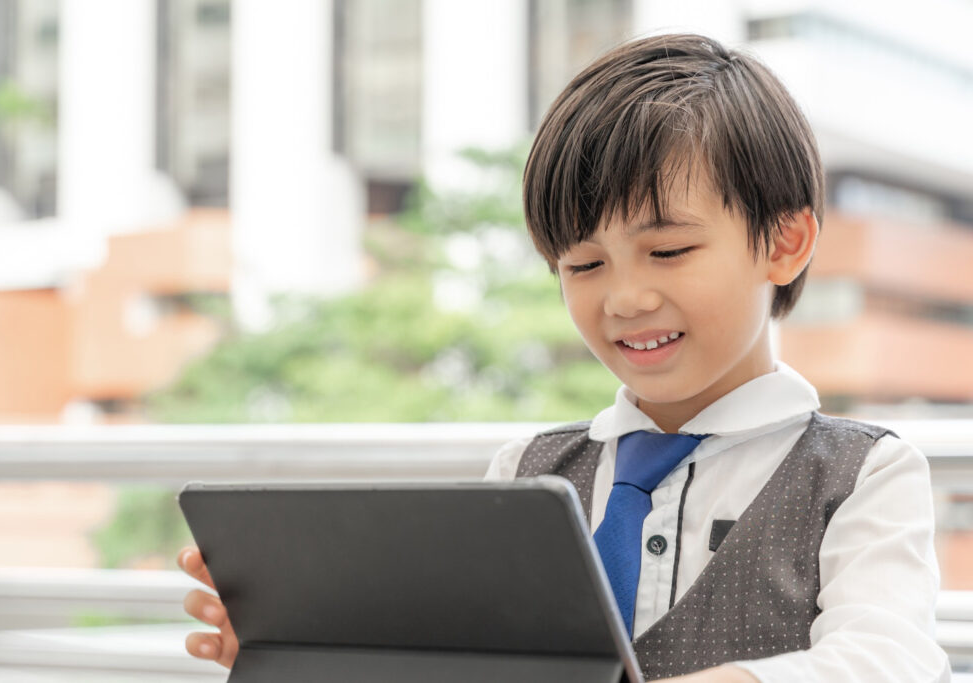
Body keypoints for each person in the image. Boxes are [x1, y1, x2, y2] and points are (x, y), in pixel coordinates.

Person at [179, 33, 951, 681]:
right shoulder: (527, 473)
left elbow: (888, 658)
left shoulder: (863, 476)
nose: (624, 298)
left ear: (784, 242)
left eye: (668, 249)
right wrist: (312, 653)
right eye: (584, 266)